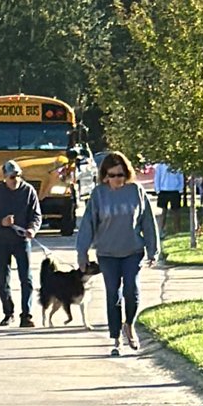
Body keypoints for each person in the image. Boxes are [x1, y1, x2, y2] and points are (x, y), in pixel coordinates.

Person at [76, 151, 160, 356]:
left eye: (120, 175)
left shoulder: (136, 191)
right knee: (113, 293)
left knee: (131, 290)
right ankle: (115, 339)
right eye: (112, 175)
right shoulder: (98, 195)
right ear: (104, 176)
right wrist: (82, 252)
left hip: (133, 250)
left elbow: (148, 222)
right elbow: (88, 224)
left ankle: (129, 325)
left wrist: (153, 250)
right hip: (107, 252)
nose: (117, 179)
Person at [0, 160, 42, 327]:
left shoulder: (28, 191)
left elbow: (36, 215)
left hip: (21, 240)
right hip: (1, 240)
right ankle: (8, 313)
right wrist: (1, 222)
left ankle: (26, 315)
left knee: (26, 278)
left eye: (17, 176)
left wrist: (32, 229)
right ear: (5, 177)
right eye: (11, 177)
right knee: (4, 277)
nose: (15, 180)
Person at [153, 162, 185, 236]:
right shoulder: (160, 166)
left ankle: (177, 230)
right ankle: (160, 230)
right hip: (163, 191)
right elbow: (157, 177)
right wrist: (157, 189)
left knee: (176, 211)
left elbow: (181, 176)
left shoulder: (177, 165)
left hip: (175, 190)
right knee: (162, 212)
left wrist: (180, 189)